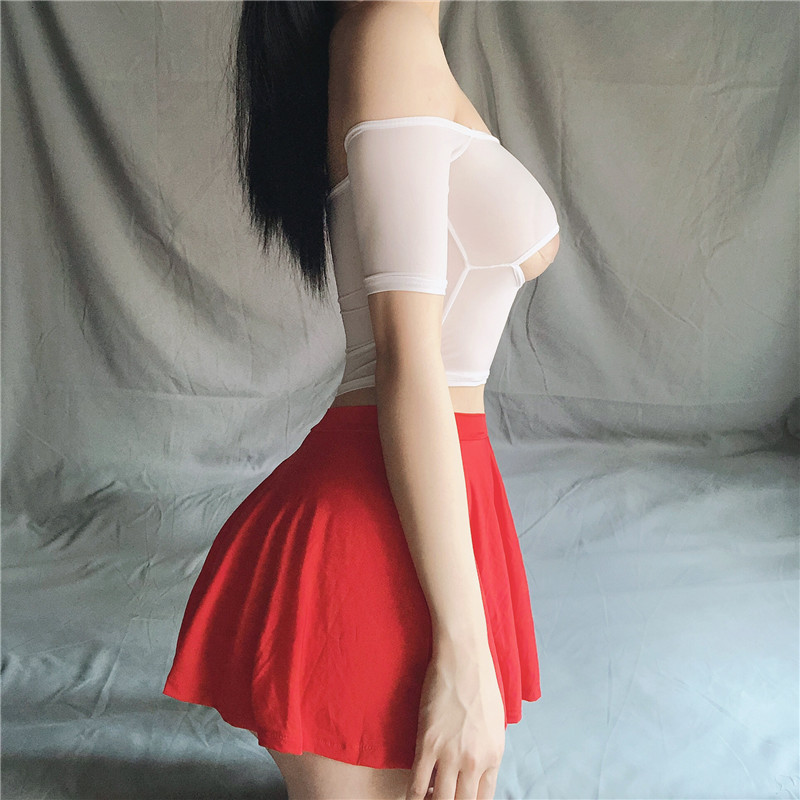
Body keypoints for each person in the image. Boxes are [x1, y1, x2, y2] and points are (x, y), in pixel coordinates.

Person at [162, 1, 560, 799]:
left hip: (430, 495)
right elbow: (406, 356)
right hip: (367, 529)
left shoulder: (405, 37)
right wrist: (463, 648)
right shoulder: (388, 36)